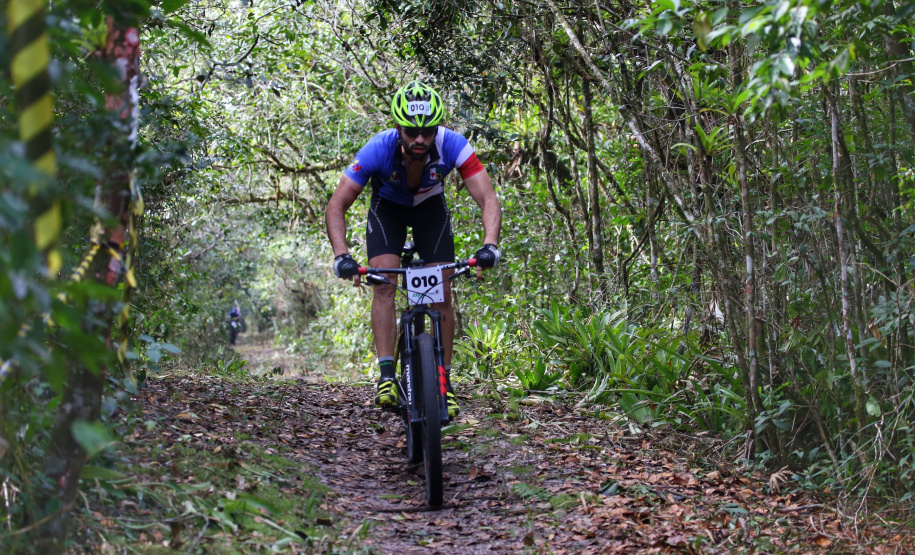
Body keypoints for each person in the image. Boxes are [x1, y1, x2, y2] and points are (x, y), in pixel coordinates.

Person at [325, 80, 502, 418]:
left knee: (441, 293)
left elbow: (487, 197)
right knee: (384, 286)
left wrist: (489, 244)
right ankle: (387, 377)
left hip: (429, 212)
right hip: (388, 211)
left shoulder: (453, 145)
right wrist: (341, 255)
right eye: (411, 132)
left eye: (427, 131)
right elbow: (337, 205)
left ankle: (443, 383)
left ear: (437, 129)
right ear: (398, 128)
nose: (419, 139)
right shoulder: (377, 148)